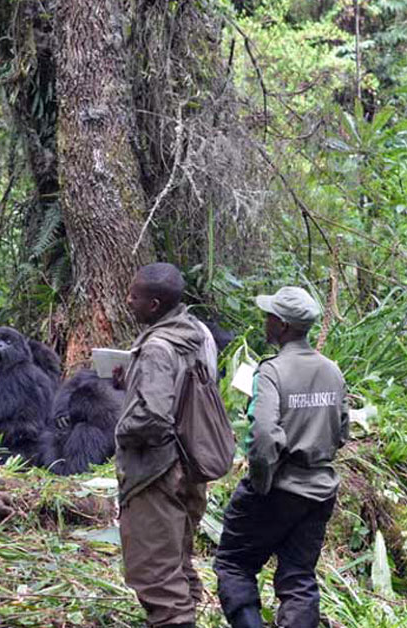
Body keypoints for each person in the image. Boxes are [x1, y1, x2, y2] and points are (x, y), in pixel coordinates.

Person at [214, 287, 348, 628]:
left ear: (284, 326)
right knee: (298, 577)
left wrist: (261, 484)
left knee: (233, 564)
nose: (265, 321)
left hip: (277, 488)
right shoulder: (332, 370)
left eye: (270, 316)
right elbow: (342, 431)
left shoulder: (272, 371)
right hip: (320, 491)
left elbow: (262, 436)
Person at [114, 262, 220, 628]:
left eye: (134, 296)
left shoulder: (158, 348)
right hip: (191, 463)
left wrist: (122, 429)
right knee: (176, 562)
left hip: (157, 474)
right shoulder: (196, 335)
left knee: (155, 574)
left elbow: (153, 417)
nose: (128, 301)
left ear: (155, 305)